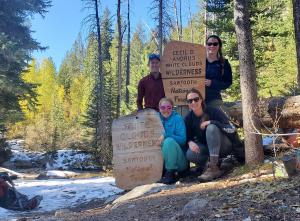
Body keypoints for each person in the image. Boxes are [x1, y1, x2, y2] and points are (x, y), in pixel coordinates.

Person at [184, 88, 244, 182]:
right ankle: (216, 163)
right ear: (188, 103)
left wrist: (211, 122)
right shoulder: (188, 118)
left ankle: (213, 167)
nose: (193, 102)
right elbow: (187, 135)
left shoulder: (213, 111)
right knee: (190, 154)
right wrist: (190, 142)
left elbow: (231, 128)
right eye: (190, 100)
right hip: (208, 149)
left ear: (201, 100)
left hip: (224, 146)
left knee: (211, 128)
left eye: (196, 99)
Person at [157, 98, 188, 184]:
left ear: (172, 108)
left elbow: (183, 140)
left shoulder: (177, 119)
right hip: (161, 162)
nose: (166, 110)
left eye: (169, 107)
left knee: (169, 141)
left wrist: (166, 135)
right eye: (163, 107)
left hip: (179, 161)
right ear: (159, 108)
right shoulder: (155, 119)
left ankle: (171, 173)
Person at [205, 35, 232, 109]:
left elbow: (228, 82)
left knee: (222, 118)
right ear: (206, 45)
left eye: (215, 44)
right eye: (209, 44)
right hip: (196, 99)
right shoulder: (198, 61)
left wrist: (212, 83)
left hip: (214, 98)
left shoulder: (224, 63)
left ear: (219, 46)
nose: (212, 46)